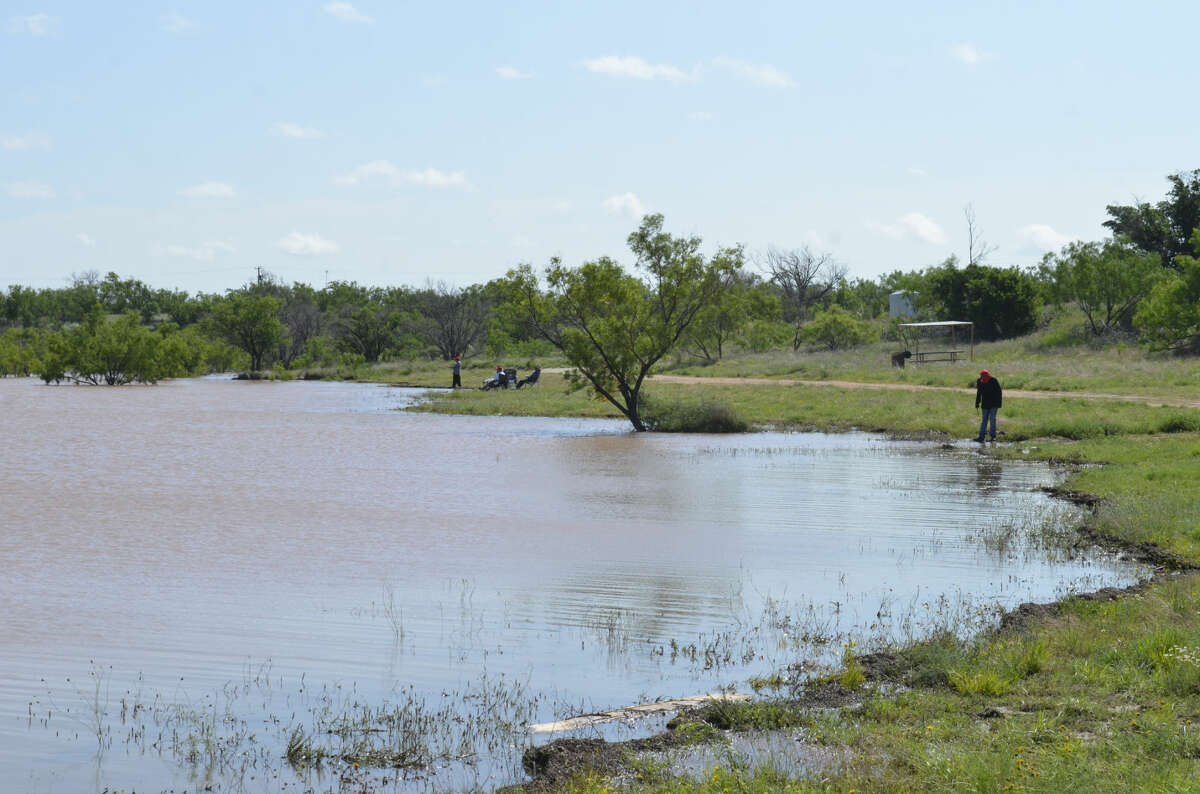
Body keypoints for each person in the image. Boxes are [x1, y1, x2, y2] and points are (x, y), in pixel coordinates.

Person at [974, 369, 1002, 442]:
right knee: (984, 420)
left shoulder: (994, 381)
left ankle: (993, 437)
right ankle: (981, 437)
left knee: (992, 419)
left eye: (985, 378)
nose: (984, 380)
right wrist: (977, 403)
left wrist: (998, 404)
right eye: (983, 378)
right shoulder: (980, 382)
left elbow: (999, 393)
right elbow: (979, 393)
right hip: (985, 404)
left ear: (988, 376)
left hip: (994, 404)